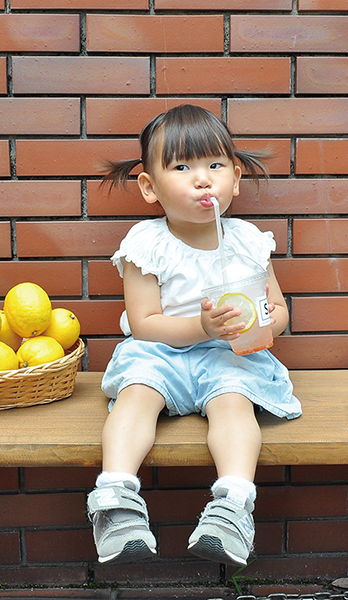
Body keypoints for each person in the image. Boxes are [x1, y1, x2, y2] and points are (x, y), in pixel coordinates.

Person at [87, 104, 301, 568]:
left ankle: (233, 504)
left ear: (236, 179)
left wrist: (262, 324)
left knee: (234, 401)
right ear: (150, 187)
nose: (203, 180)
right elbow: (144, 323)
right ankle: (116, 500)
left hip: (227, 354)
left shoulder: (247, 241)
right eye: (182, 167)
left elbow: (279, 309)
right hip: (160, 353)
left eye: (215, 165)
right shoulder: (147, 243)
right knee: (136, 394)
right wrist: (200, 326)